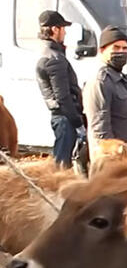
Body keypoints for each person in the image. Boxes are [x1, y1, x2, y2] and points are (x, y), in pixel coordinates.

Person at [35, 10, 84, 168]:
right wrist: (78, 123)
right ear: (55, 29)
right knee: (62, 166)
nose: (64, 32)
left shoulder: (48, 53)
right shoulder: (54, 59)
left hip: (60, 116)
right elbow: (63, 97)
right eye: (63, 28)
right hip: (65, 118)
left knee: (63, 162)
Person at [83, 26, 127, 147]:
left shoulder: (121, 79)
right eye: (116, 47)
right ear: (102, 50)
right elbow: (100, 129)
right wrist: (112, 155)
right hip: (114, 157)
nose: (121, 52)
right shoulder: (100, 82)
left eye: (125, 48)